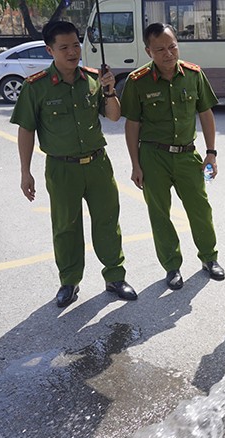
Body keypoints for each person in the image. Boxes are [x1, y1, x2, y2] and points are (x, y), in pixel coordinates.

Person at [11, 21, 137, 308]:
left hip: (97, 164)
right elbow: (26, 130)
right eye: (64, 47)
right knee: (65, 227)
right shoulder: (37, 87)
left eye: (76, 45)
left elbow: (115, 117)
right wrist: (25, 171)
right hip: (61, 168)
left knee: (107, 222)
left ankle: (115, 277)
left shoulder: (94, 79)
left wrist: (109, 90)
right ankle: (69, 282)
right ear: (50, 50)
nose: (72, 52)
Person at [121, 23, 224, 290]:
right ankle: (172, 266)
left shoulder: (193, 74)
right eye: (160, 49)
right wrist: (135, 164)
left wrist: (211, 153)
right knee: (159, 213)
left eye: (172, 46)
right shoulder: (137, 81)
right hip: (153, 156)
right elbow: (132, 125)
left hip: (188, 155)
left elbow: (206, 114)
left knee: (200, 209)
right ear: (148, 51)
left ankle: (209, 258)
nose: (168, 53)